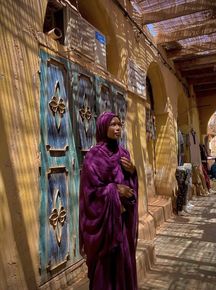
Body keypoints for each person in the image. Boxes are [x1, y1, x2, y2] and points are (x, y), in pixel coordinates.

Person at [79, 112, 138, 290]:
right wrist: (114, 190)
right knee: (105, 269)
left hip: (121, 221)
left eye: (119, 124)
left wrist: (133, 172)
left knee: (123, 263)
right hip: (105, 227)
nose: (118, 128)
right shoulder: (93, 156)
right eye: (113, 125)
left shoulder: (124, 153)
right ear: (103, 127)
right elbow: (90, 193)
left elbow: (130, 187)